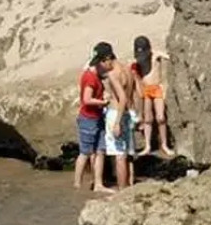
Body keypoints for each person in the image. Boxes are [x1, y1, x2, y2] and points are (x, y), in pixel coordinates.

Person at [74, 43, 113, 194]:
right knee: (85, 152)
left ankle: (98, 184)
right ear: (102, 61)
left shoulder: (93, 73)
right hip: (88, 119)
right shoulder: (90, 78)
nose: (110, 64)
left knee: (100, 151)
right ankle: (77, 183)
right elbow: (87, 99)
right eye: (109, 60)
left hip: (96, 117)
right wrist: (103, 102)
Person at [100, 49, 139, 189]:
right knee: (128, 153)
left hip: (117, 113)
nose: (101, 66)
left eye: (102, 62)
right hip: (128, 113)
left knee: (119, 156)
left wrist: (117, 122)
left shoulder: (113, 74)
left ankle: (122, 192)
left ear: (108, 58)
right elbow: (133, 94)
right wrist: (134, 113)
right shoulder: (128, 70)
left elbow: (122, 98)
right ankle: (130, 185)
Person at [133, 36, 174, 157]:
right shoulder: (137, 61)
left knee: (161, 117)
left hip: (157, 88)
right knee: (148, 119)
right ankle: (147, 146)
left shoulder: (155, 55)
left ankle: (164, 144)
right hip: (146, 90)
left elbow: (167, 56)